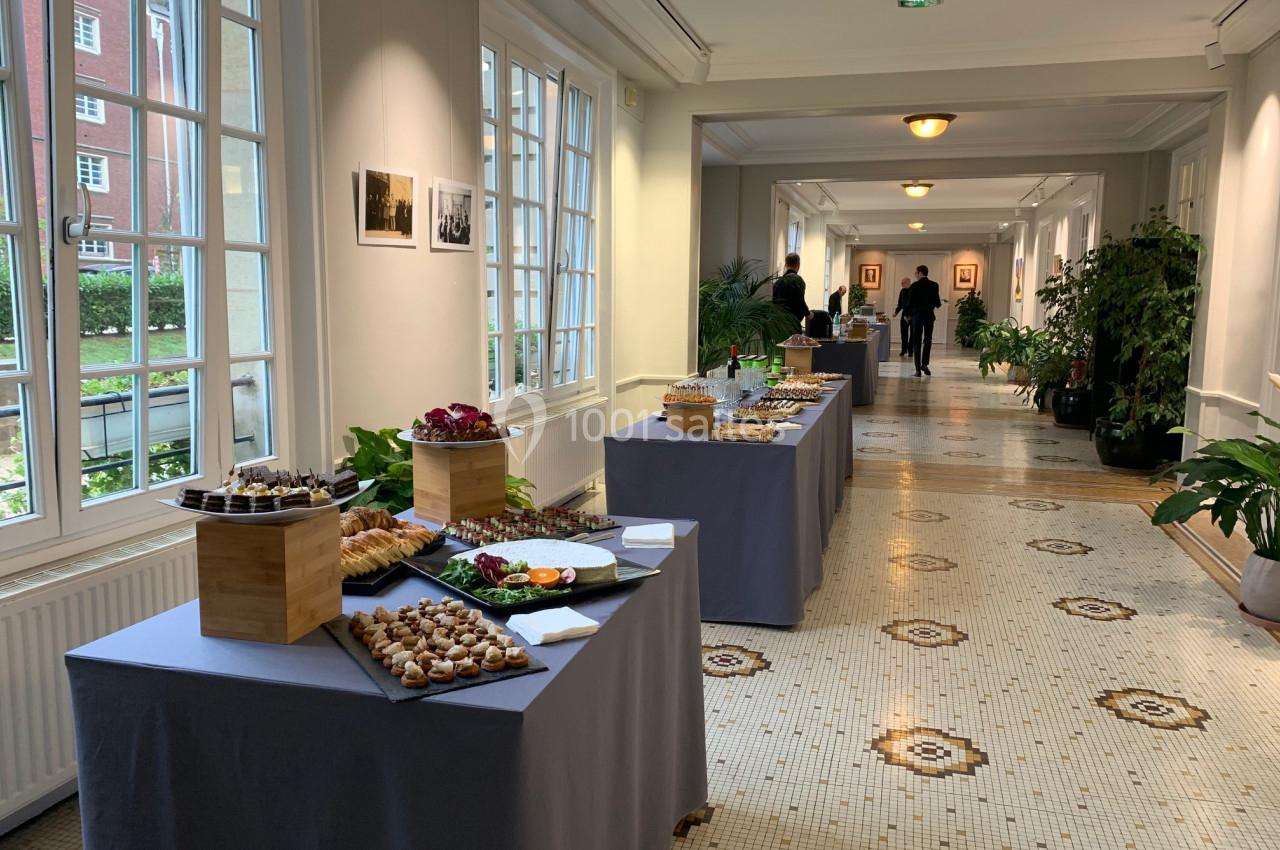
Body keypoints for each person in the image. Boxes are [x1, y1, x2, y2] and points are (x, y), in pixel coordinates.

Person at [907, 265, 942, 377]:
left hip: (917, 317)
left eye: (916, 273)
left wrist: (907, 315)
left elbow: (910, 303)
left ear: (920, 273)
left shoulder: (914, 286)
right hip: (929, 316)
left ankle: (917, 370)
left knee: (916, 341)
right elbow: (937, 303)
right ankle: (924, 364)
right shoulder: (934, 285)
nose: (915, 275)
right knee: (928, 340)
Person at [772, 252, 810, 332]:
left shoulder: (778, 282)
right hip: (793, 324)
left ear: (786, 265)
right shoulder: (798, 280)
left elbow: (774, 302)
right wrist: (808, 314)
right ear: (798, 265)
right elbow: (800, 301)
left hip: (779, 324)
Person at [892, 277, 912, 357]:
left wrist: (910, 315)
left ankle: (911, 351)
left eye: (903, 283)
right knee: (904, 333)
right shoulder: (902, 291)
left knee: (913, 334)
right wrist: (896, 312)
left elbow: (914, 304)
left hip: (912, 314)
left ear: (908, 282)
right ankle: (904, 350)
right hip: (904, 314)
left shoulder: (913, 290)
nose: (901, 284)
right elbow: (900, 303)